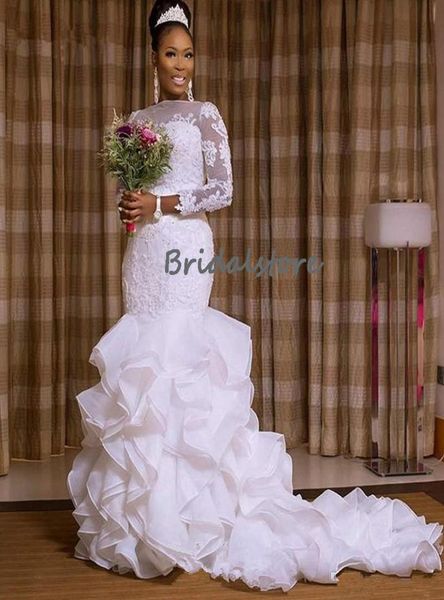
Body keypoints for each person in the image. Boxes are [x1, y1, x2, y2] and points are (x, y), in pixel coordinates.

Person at [67, 0, 443, 592]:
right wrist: (133, 207)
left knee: (181, 353)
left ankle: (198, 513)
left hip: (186, 246)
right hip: (143, 254)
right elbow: (135, 191)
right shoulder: (136, 120)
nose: (181, 64)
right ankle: (147, 519)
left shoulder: (205, 115)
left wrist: (162, 205)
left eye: (188, 53)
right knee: (145, 359)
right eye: (171, 53)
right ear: (153, 57)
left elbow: (222, 190)